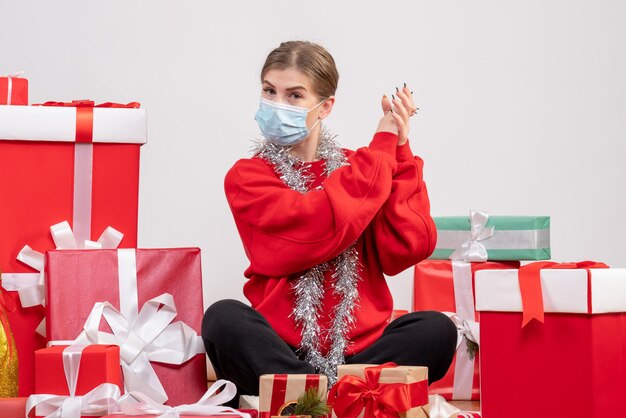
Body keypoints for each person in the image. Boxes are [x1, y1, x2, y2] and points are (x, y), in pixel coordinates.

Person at [202, 41, 457, 398]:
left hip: (360, 352)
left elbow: (408, 245)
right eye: (269, 91)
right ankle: (337, 395)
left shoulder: (365, 168)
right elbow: (316, 227)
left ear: (325, 108)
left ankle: (310, 397)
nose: (277, 104)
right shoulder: (248, 176)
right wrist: (380, 149)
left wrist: (398, 145)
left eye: (294, 96)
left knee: (436, 329)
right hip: (281, 352)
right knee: (222, 319)